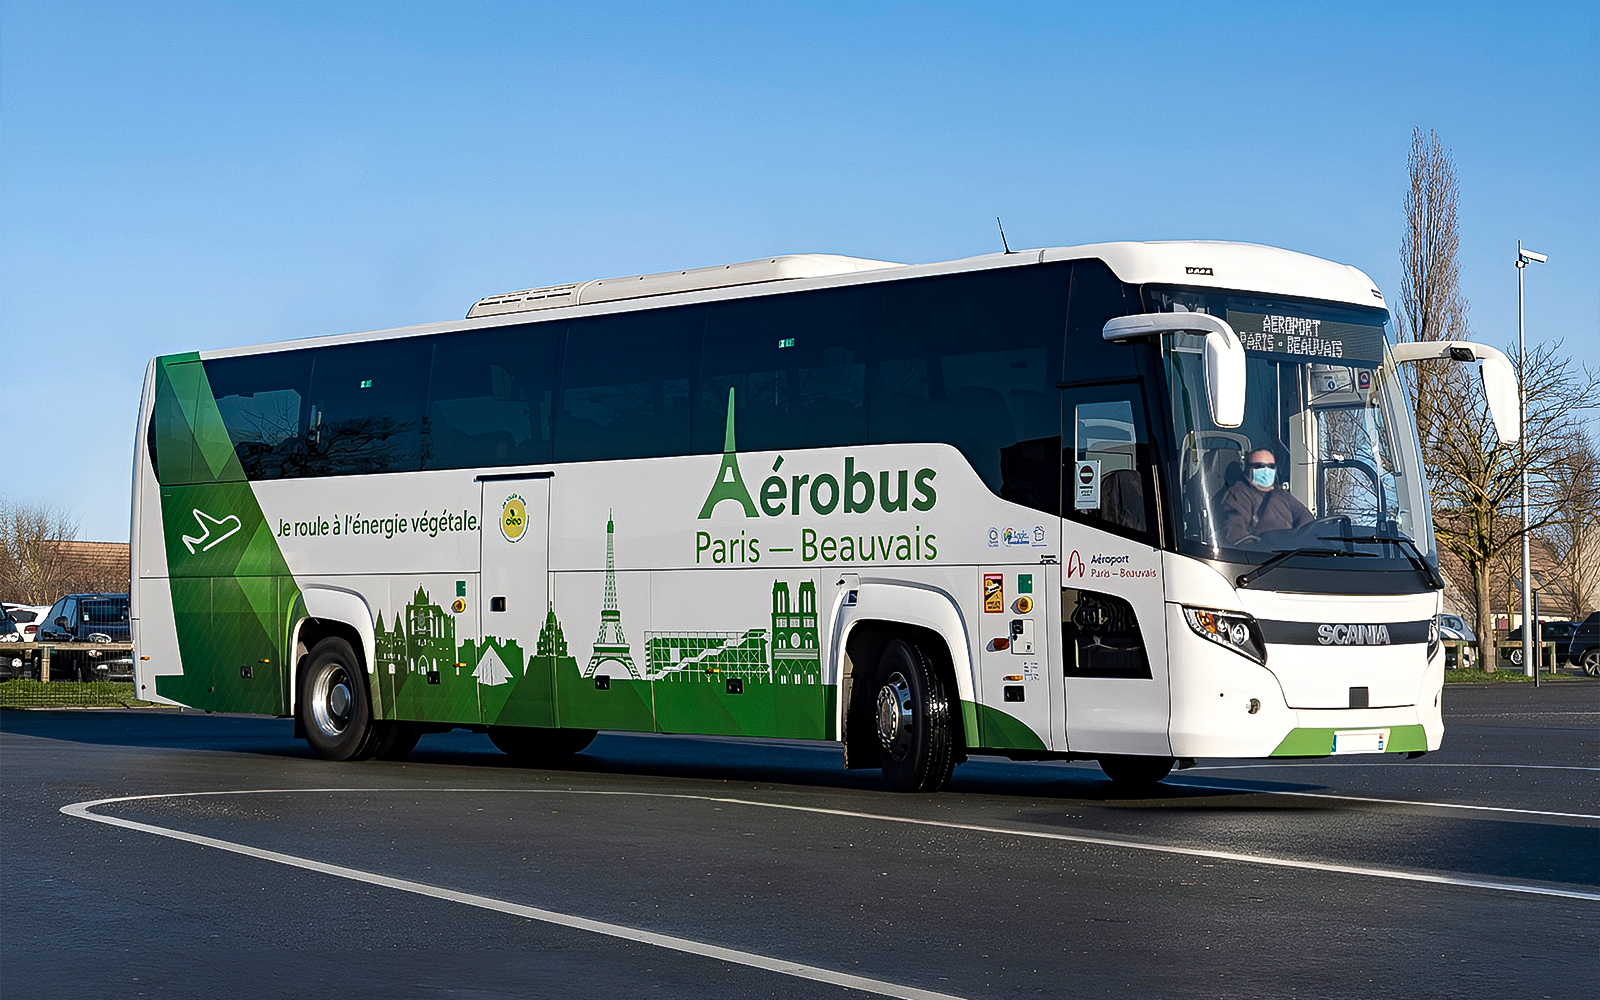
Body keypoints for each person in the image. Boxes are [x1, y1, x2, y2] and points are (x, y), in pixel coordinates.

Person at [1218, 447, 1313, 544]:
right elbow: (1235, 532)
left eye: (1271, 466)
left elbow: (1308, 523)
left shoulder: (1283, 495)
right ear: (1248, 469)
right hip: (1263, 555)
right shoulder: (1237, 495)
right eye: (1260, 466)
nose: (1266, 470)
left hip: (1290, 553)